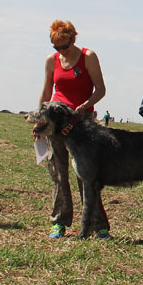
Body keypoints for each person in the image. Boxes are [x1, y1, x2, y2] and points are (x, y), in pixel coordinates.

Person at [36, 19, 110, 239]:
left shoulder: (88, 57)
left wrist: (85, 106)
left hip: (81, 124)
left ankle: (98, 225)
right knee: (58, 174)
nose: (61, 51)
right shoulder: (51, 61)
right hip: (55, 124)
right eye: (56, 47)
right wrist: (40, 120)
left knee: (86, 175)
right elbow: (46, 92)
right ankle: (59, 221)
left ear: (73, 39)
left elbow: (101, 89)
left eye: (64, 46)